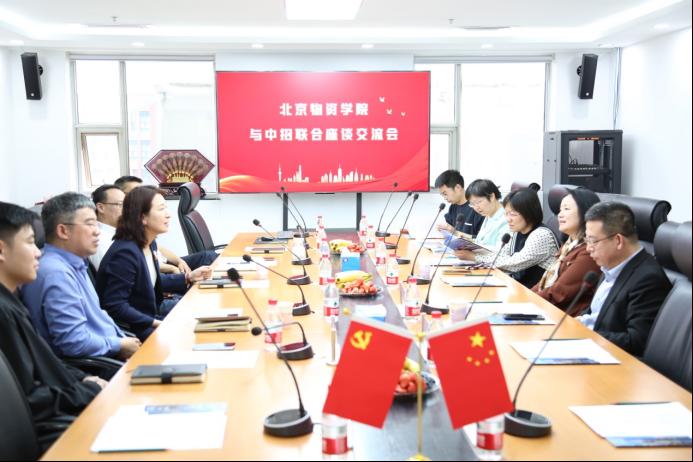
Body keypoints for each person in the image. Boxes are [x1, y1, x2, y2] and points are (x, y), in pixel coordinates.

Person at [0, 202, 104, 450]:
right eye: (30, 242)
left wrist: (85, 379)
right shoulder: (4, 313)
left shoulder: (11, 300)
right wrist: (88, 390)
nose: (38, 253)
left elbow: (45, 363)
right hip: (53, 433)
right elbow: (28, 400)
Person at [20, 193, 140, 360]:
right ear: (63, 231)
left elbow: (97, 321)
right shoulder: (56, 274)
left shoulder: (75, 263)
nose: (97, 231)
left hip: (112, 352)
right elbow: (73, 342)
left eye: (96, 224)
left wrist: (122, 341)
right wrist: (118, 344)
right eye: (90, 224)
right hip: (95, 365)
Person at [96, 186, 212, 340]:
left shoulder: (149, 243)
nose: (168, 214)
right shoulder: (125, 253)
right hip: (136, 329)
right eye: (161, 209)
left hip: (151, 317)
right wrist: (155, 323)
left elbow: (147, 283)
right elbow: (115, 306)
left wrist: (188, 277)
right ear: (142, 217)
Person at [578, 202, 672, 356]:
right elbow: (595, 314)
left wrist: (586, 334)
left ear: (618, 240)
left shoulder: (648, 279)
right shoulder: (611, 265)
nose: (588, 248)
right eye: (586, 240)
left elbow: (636, 341)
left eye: (593, 241)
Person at [113, 175, 217, 274]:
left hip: (161, 263)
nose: (141, 195)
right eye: (135, 192)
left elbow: (155, 247)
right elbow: (140, 265)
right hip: (159, 269)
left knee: (208, 257)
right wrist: (174, 270)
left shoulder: (144, 233)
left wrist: (179, 261)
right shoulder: (122, 232)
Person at [456, 188, 559, 288]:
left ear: (529, 213)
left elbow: (514, 264)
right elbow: (501, 255)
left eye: (513, 214)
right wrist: (474, 252)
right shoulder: (516, 232)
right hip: (519, 287)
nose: (508, 219)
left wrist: (475, 257)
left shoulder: (541, 235)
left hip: (537, 294)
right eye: (506, 214)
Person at [532, 188, 601, 314]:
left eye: (566, 209)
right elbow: (543, 284)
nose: (560, 214)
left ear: (586, 212)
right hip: (546, 310)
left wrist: (526, 301)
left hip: (564, 319)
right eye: (560, 210)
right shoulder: (569, 245)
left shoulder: (588, 252)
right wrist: (525, 296)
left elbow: (558, 293)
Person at [434, 170, 485, 237]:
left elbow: (482, 239)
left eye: (445, 194)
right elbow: (450, 232)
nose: (444, 198)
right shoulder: (453, 207)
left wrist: (455, 232)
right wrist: (444, 229)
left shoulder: (478, 208)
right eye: (442, 195)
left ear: (457, 187)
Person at [463, 179, 510, 249]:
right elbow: (483, 241)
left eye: (479, 202)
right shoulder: (489, 214)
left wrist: (474, 253)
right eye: (472, 204)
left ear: (491, 197)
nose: (476, 207)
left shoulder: (506, 218)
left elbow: (500, 250)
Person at [89, 184, 125, 271]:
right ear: (101, 208)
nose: (126, 209)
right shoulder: (97, 239)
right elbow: (113, 273)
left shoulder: (119, 232)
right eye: (120, 204)